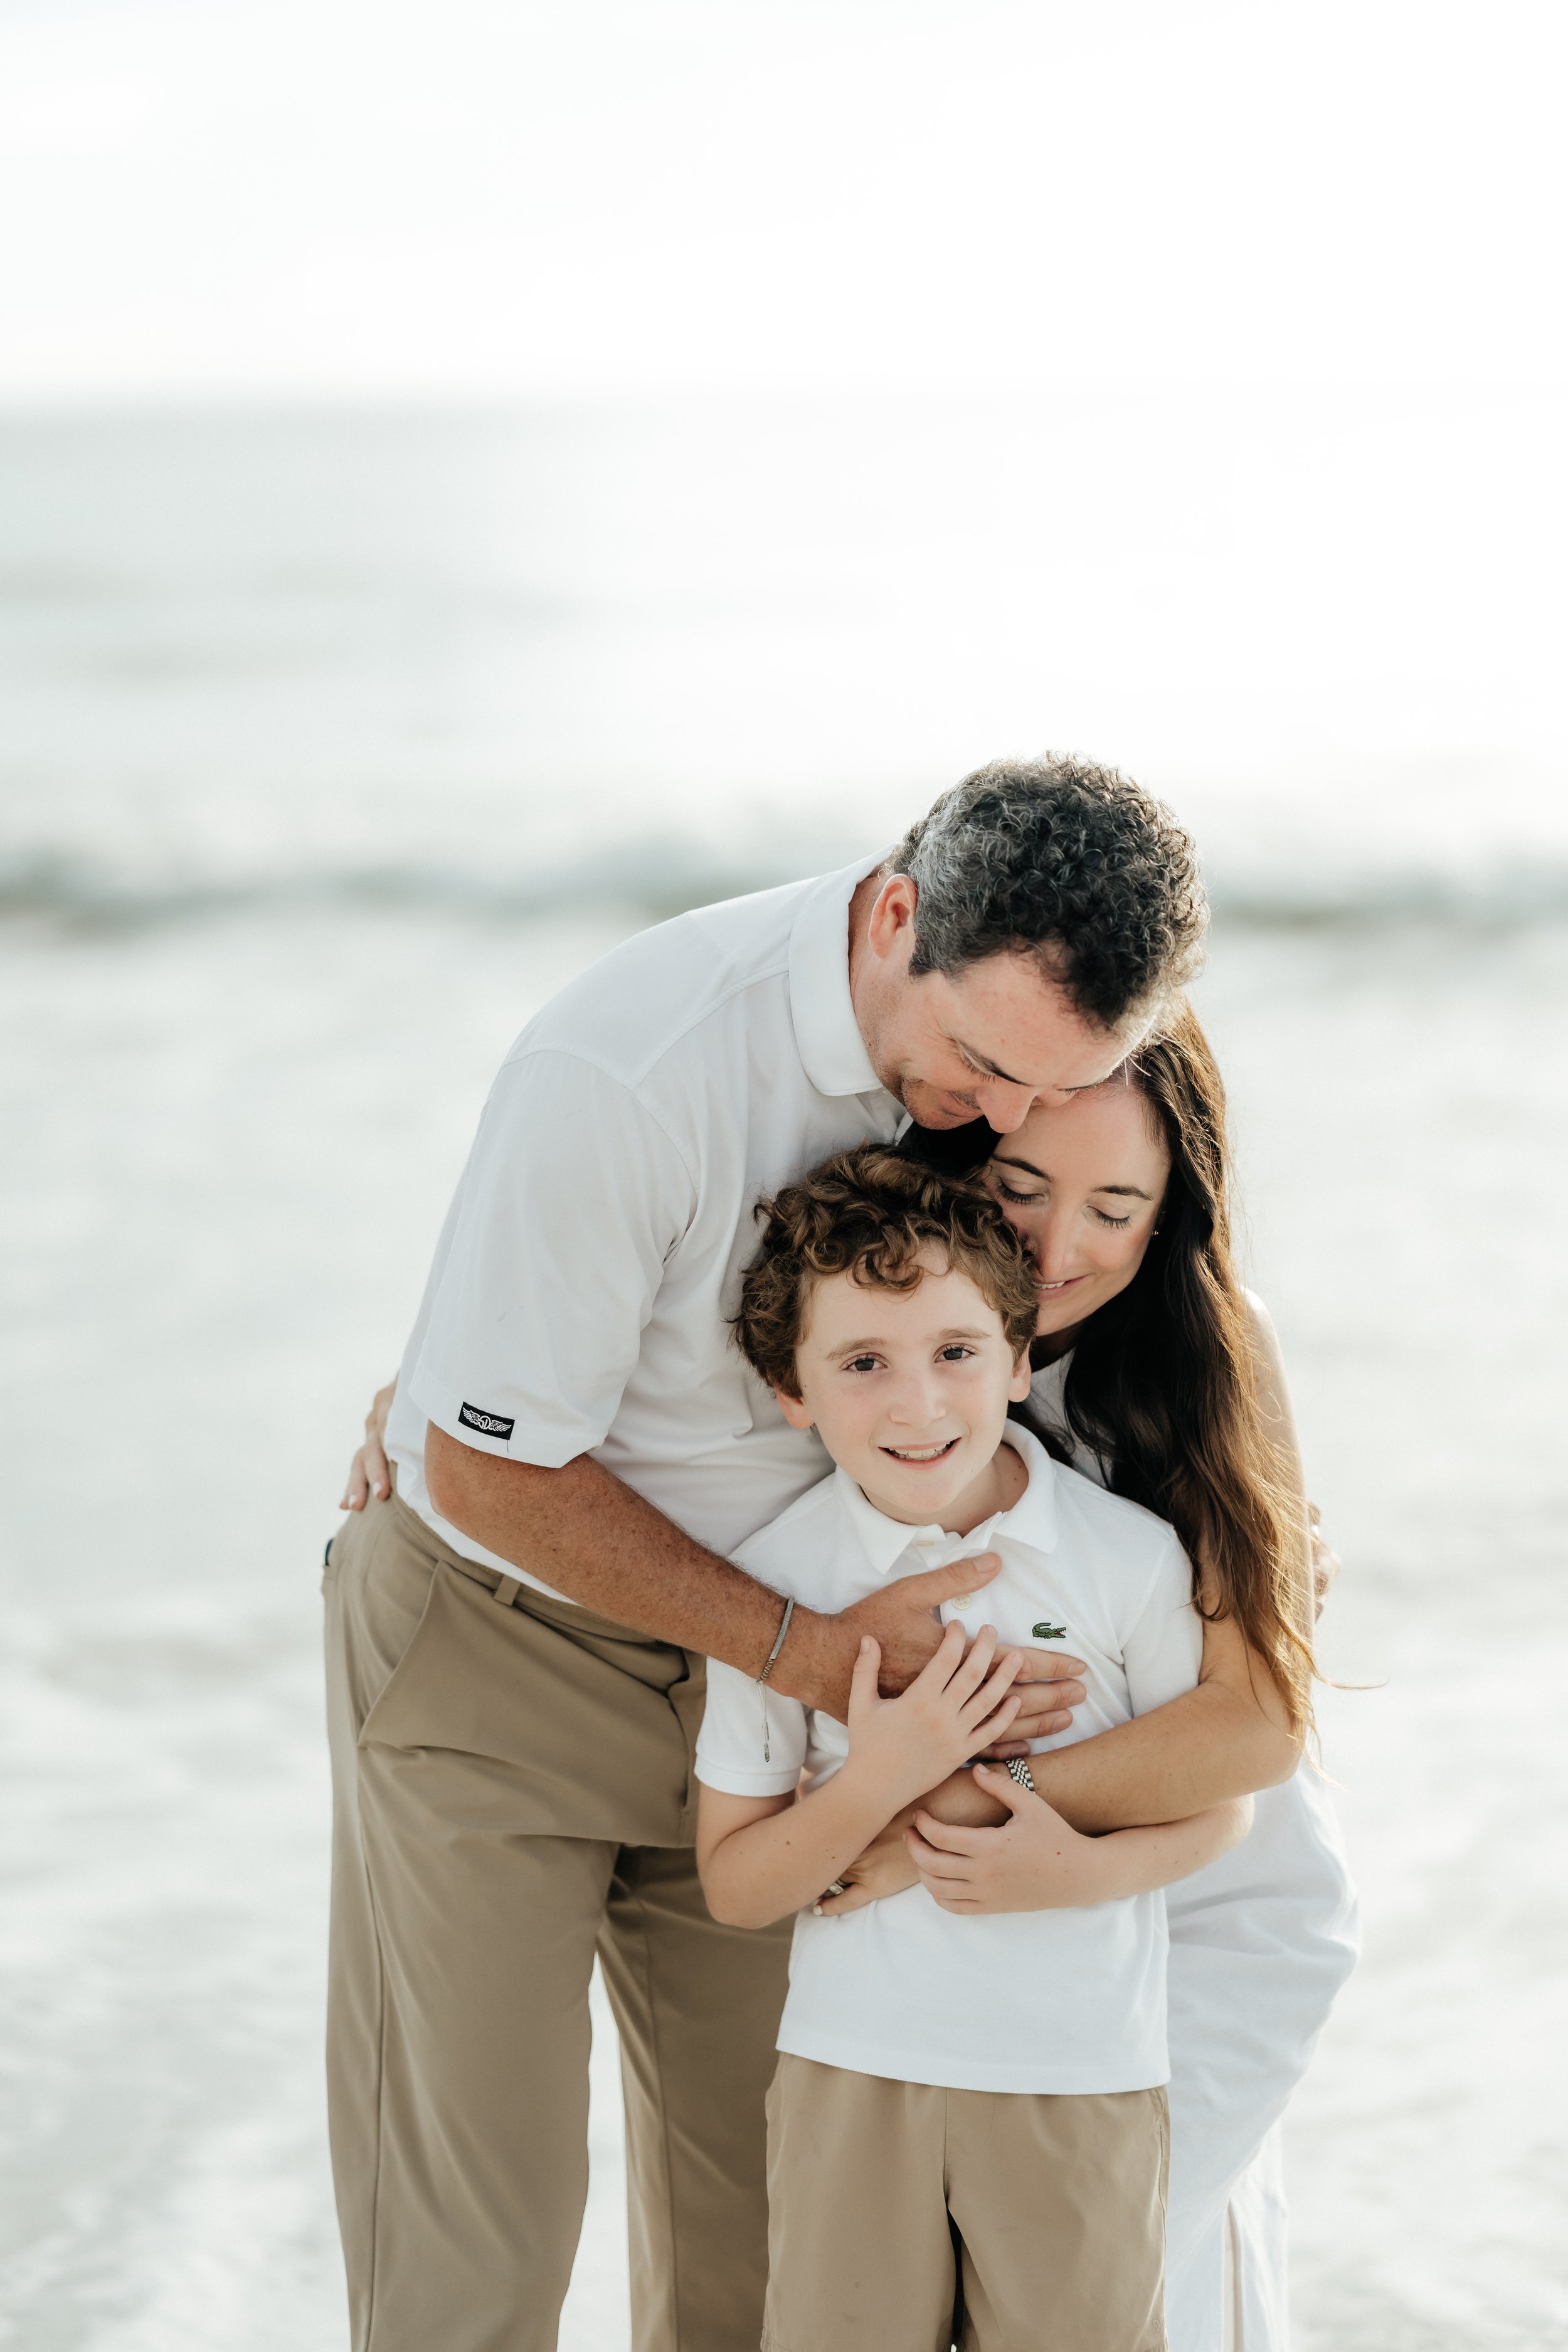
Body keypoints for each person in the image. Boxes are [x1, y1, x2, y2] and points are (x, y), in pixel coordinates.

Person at [324, 758, 1301, 2352]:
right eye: (985, 1071)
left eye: (1045, 1091)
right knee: (474, 2249)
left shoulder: (1007, 1095)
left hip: (795, 1700)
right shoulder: (633, 1065)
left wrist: (896, 1767)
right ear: (895, 916)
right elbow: (489, 1467)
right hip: (515, 1650)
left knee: (754, 2254)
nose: (1006, 1123)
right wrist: (815, 1659)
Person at [812, 1005, 1359, 2351]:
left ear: (1169, 1216)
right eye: (1018, 1189)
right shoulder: (883, 1337)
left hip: (1211, 1909)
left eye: (1115, 1209)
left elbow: (1257, 1725)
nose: (1057, 1253)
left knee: (1148, 2292)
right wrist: (418, 1412)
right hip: (978, 1923)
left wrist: (936, 1814)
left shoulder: (1205, 1352)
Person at [696, 1145, 1258, 2352]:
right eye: (862, 1363)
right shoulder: (779, 1588)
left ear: (1016, 1357)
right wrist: (885, 1774)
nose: (918, 1404)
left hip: (1080, 2074)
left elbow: (1222, 1805)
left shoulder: (1127, 1558)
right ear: (792, 1390)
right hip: (852, 2069)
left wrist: (1086, 1869)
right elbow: (737, 1884)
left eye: (955, 1351)